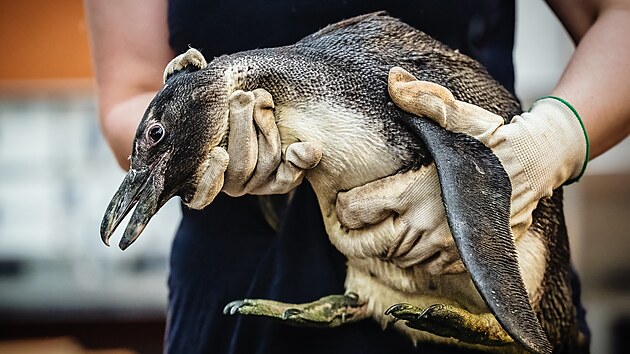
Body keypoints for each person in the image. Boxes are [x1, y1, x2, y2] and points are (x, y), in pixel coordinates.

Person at [84, 1, 630, 353]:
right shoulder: (232, 91)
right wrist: (223, 146)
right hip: (240, 302)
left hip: (485, 256)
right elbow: (129, 93)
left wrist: (555, 137)